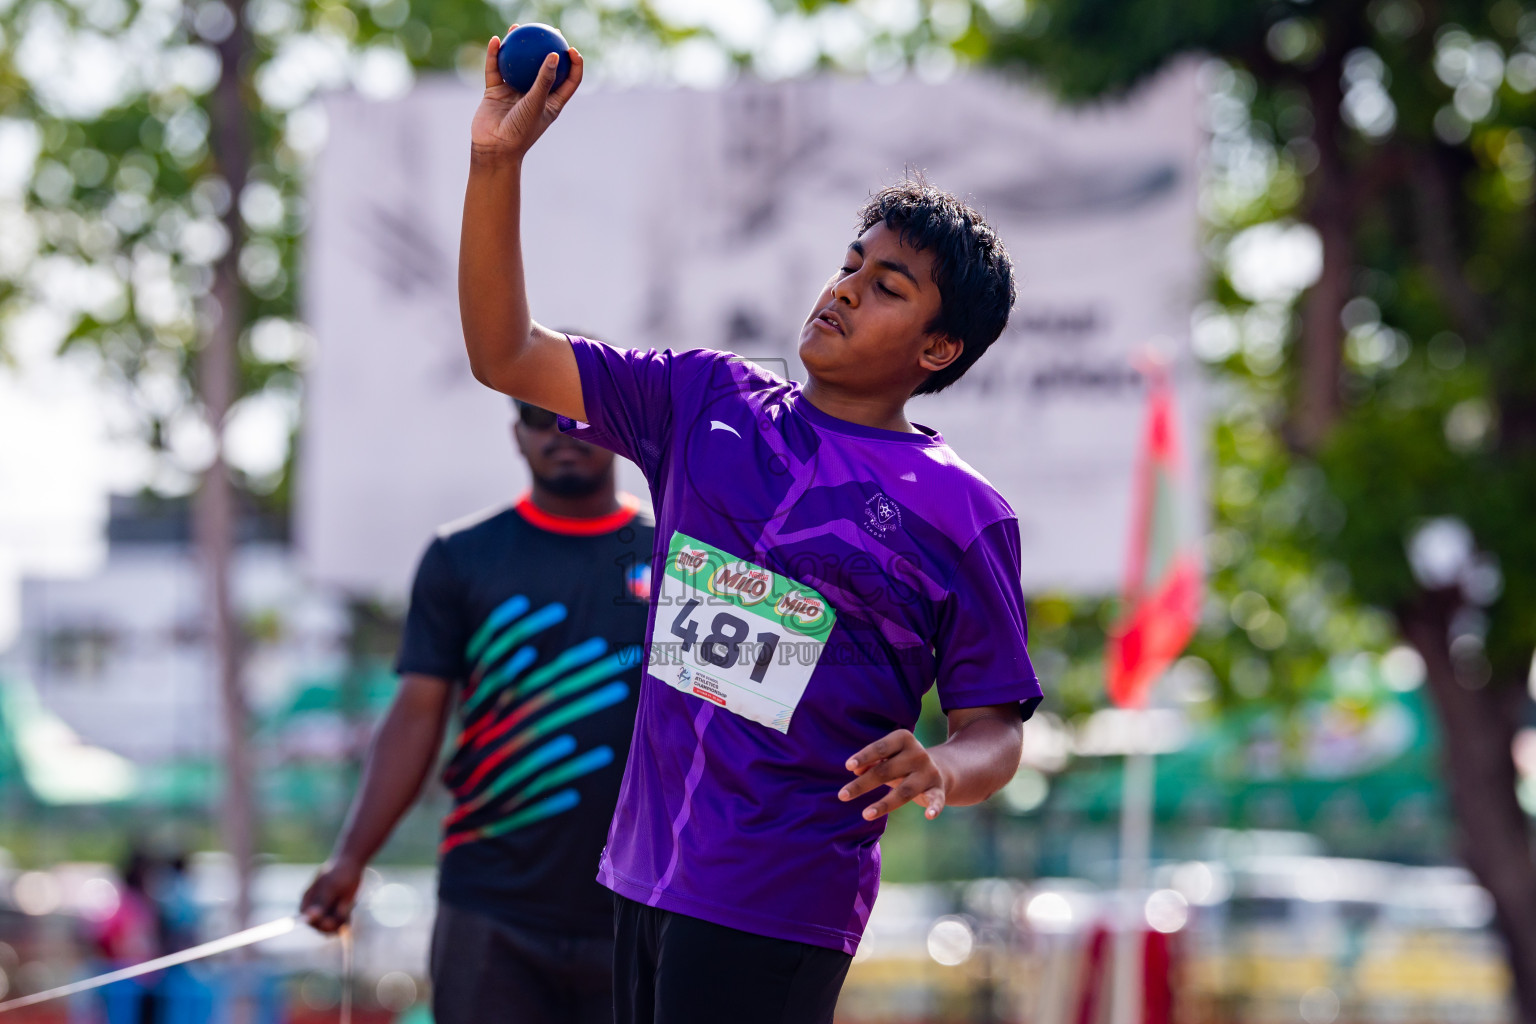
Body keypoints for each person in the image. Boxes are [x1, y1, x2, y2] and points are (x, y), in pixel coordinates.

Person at [459, 34, 1042, 1024]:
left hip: (779, 899)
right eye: (852, 263)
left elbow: (996, 728)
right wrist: (494, 163)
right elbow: (505, 353)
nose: (846, 288)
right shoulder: (701, 398)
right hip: (639, 873)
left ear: (939, 349)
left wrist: (941, 765)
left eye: (889, 286)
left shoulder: (962, 513)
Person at [301, 398, 655, 1024]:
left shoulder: (677, 555)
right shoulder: (460, 556)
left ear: (619, 429)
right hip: (491, 908)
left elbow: (744, 715)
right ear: (515, 435)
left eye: (578, 415)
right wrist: (350, 858)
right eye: (538, 417)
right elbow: (416, 716)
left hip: (643, 906)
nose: (559, 433)